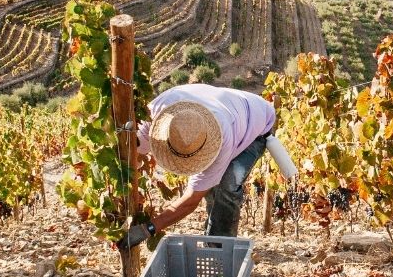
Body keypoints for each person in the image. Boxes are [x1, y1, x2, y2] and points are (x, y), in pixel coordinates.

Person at [118, 83, 278, 250]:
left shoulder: (222, 142)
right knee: (211, 190)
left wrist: (147, 229)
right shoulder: (159, 111)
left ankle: (218, 252)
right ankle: (213, 234)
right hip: (231, 107)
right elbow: (134, 148)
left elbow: (191, 200)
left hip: (257, 124)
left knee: (226, 188)